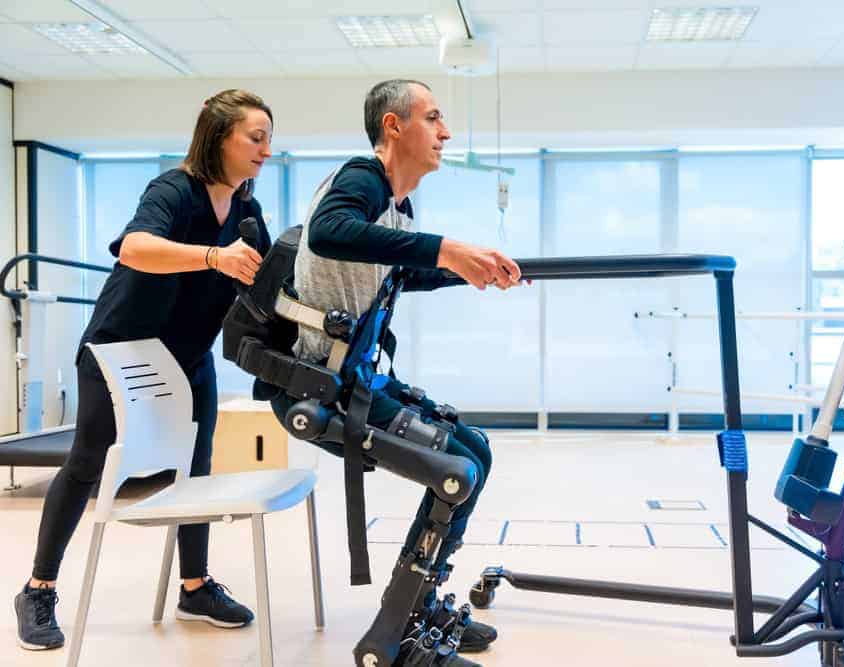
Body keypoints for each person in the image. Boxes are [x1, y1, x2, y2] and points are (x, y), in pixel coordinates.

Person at [271, 79, 521, 664]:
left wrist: (472, 268)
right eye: (433, 117)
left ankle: (423, 603)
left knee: (473, 452)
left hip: (354, 381)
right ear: (393, 126)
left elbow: (401, 269)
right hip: (316, 388)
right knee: (454, 469)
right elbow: (330, 232)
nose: (446, 132)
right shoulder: (361, 179)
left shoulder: (398, 207)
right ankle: (395, 639)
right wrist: (445, 250)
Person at [14, 89, 274, 651]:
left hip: (188, 355)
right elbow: (134, 248)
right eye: (256, 138)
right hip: (122, 350)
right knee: (87, 465)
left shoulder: (248, 211)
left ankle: (195, 586)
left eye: (269, 140)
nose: (265, 150)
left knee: (196, 468)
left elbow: (267, 283)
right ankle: (38, 589)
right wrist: (212, 256)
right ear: (219, 137)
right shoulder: (173, 191)